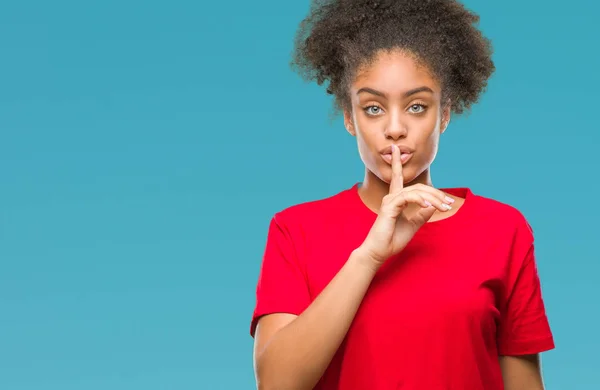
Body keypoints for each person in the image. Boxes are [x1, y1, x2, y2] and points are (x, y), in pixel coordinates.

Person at [249, 0, 555, 389]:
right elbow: (276, 383)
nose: (395, 128)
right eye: (373, 108)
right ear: (348, 116)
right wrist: (369, 257)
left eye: (416, 106)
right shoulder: (296, 230)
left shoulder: (502, 230)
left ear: (444, 113)